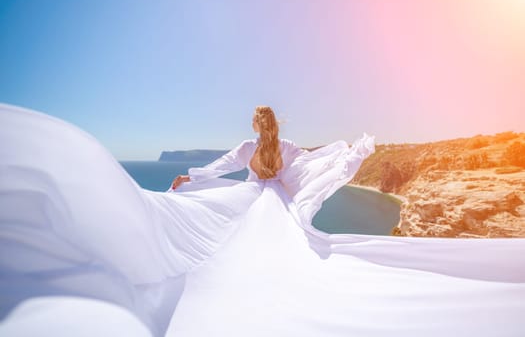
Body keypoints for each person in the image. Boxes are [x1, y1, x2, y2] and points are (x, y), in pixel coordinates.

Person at [0, 103, 524, 337]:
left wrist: (189, 177)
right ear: (277, 125)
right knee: (281, 256)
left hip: (247, 200)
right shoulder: (288, 146)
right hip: (270, 205)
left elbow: (225, 169)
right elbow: (303, 167)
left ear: (255, 125)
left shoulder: (250, 146)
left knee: (205, 241)